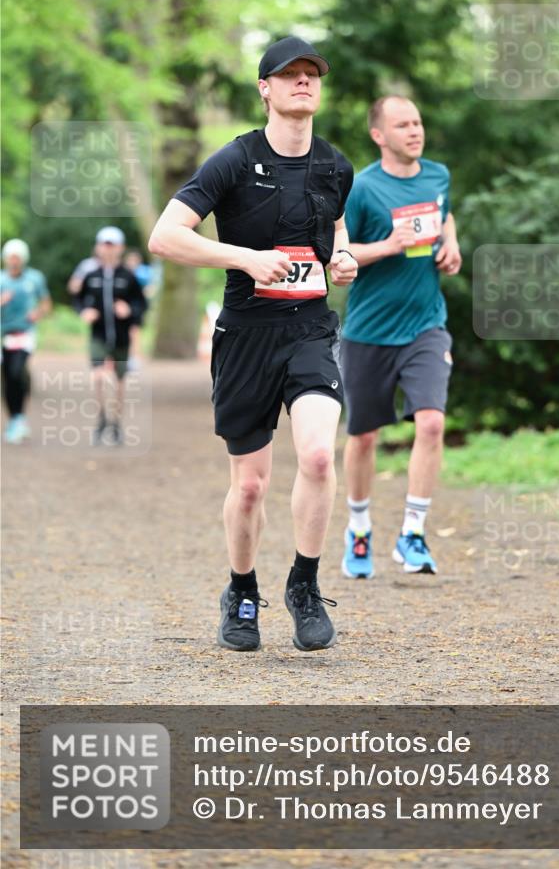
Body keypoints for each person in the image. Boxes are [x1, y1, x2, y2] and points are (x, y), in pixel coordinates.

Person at [148, 35, 357, 653]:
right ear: (264, 89)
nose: (303, 82)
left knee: (320, 456)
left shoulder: (335, 165)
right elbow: (165, 237)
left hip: (311, 329)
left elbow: (336, 224)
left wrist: (341, 256)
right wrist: (243, 258)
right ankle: (241, 590)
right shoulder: (233, 162)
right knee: (251, 486)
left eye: (311, 74)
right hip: (244, 337)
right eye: (289, 74)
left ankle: (305, 584)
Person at [340, 96, 461, 579]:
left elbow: (445, 215)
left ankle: (413, 532)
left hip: (425, 325)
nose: (414, 131)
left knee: (431, 422)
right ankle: (359, 528)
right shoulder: (362, 189)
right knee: (364, 436)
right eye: (402, 124)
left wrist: (451, 242)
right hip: (368, 331)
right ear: (379, 135)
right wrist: (388, 246)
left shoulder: (438, 175)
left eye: (418, 121)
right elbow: (339, 253)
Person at [78, 226, 147, 445]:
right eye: (104, 245)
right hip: (97, 335)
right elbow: (78, 299)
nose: (108, 249)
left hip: (121, 337)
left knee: (119, 381)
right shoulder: (91, 275)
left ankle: (115, 424)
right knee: (97, 376)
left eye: (112, 245)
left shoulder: (128, 276)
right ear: (98, 247)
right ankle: (101, 419)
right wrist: (84, 311)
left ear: (120, 248)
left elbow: (142, 303)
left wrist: (130, 311)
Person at [1, 239, 51, 443]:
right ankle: (14, 419)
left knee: (16, 371)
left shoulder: (35, 278)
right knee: (7, 379)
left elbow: (46, 304)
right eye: (10, 257)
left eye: (17, 258)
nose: (14, 261)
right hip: (3, 334)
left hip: (24, 334)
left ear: (23, 259)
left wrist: (37, 313)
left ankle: (19, 418)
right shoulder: (1, 280)